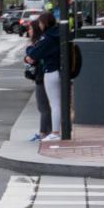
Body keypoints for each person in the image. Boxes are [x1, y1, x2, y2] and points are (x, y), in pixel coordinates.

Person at [27, 12, 62, 142]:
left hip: (51, 70)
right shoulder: (59, 34)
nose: (40, 25)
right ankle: (56, 131)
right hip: (60, 70)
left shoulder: (47, 38)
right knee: (57, 103)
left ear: (45, 23)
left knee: (54, 104)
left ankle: (55, 132)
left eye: (41, 22)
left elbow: (32, 55)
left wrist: (28, 52)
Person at [25, 22, 51, 142]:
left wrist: (28, 54)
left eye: (30, 29)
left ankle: (43, 133)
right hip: (42, 77)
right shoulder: (41, 42)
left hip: (42, 77)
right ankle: (48, 131)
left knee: (43, 107)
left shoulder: (39, 43)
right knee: (45, 106)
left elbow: (31, 57)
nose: (28, 31)